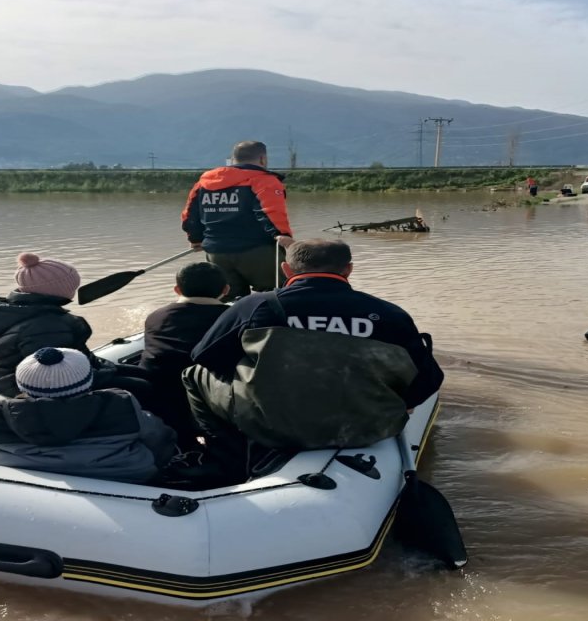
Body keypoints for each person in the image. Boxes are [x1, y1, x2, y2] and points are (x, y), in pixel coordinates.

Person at [183, 239, 445, 480]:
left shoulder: (256, 305)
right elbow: (428, 380)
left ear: (287, 269)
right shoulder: (388, 313)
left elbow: (205, 358)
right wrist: (404, 402)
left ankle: (223, 455)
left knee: (193, 374)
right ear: (349, 269)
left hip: (271, 425)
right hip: (365, 427)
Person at [0, 347, 177, 484]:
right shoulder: (120, 404)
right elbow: (158, 437)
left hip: (27, 484)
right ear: (88, 381)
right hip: (126, 479)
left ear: (21, 384)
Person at [0, 252, 151, 398]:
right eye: (72, 286)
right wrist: (105, 373)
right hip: (34, 383)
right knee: (143, 387)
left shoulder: (18, 310)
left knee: (143, 374)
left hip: (18, 373)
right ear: (57, 290)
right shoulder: (48, 326)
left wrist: (106, 367)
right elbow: (57, 374)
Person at [182, 141, 294, 300]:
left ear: (233, 159)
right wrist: (281, 235)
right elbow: (270, 211)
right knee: (278, 295)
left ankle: (233, 324)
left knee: (228, 298)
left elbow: (189, 215)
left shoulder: (204, 183)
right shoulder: (263, 180)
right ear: (263, 159)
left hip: (216, 252)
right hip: (257, 250)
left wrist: (195, 239)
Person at [138, 262, 231, 445]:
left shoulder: (156, 316)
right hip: (208, 402)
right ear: (226, 289)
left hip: (159, 398)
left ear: (177, 289)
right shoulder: (231, 318)